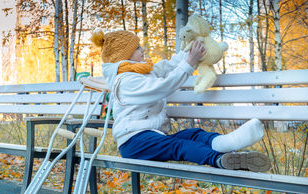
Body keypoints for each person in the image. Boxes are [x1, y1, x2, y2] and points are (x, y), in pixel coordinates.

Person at [91, 30, 270, 172]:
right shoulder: (127, 81)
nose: (142, 49)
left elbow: (166, 67)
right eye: (137, 48)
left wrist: (188, 52)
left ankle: (227, 143)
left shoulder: (140, 72)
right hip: (134, 142)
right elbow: (164, 86)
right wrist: (189, 63)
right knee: (180, 146)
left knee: (193, 134)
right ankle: (219, 160)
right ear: (124, 55)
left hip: (151, 136)